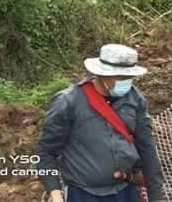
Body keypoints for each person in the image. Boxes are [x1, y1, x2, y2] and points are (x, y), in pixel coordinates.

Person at [39, 44, 165, 202]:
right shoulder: (68, 102)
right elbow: (47, 152)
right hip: (84, 194)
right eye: (120, 77)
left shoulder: (135, 99)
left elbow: (147, 147)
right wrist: (55, 192)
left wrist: (156, 195)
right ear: (102, 74)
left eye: (129, 77)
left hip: (127, 190)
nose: (125, 82)